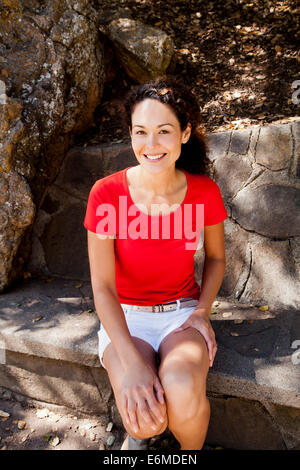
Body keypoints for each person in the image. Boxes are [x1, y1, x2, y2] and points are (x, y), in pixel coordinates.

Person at [83, 76, 227, 450]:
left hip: (181, 315)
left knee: (180, 391)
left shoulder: (203, 192)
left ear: (184, 133)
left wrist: (202, 313)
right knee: (147, 422)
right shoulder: (106, 194)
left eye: (164, 131)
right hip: (125, 319)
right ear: (130, 134)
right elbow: (102, 287)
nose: (151, 145)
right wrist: (130, 364)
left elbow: (215, 258)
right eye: (140, 132)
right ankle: (138, 438)